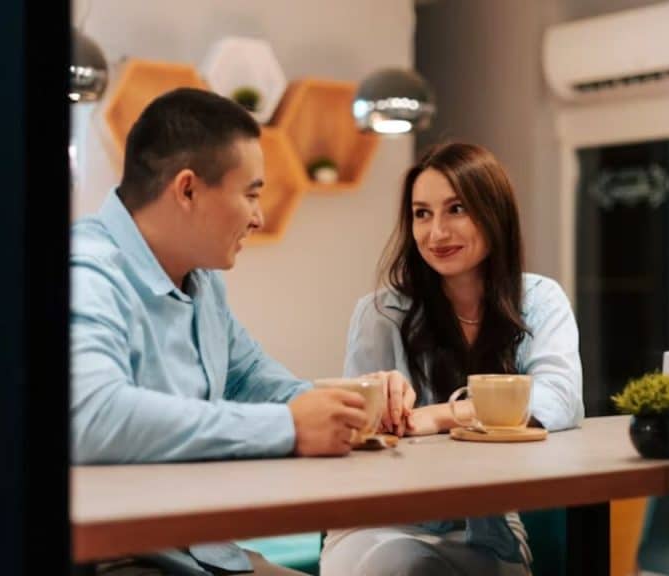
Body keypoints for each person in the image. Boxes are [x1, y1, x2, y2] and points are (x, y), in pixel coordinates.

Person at [70, 88, 413, 575]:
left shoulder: (202, 282)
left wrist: (358, 406)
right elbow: (92, 417)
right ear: (187, 190)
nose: (258, 216)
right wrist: (290, 428)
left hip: (208, 555)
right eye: (251, 193)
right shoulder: (86, 270)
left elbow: (254, 379)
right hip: (120, 562)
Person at [320, 142, 584, 576]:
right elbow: (358, 439)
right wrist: (376, 407)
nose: (436, 232)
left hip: (487, 525)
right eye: (422, 213)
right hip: (382, 521)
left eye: (455, 209)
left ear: (493, 212)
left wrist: (442, 416)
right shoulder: (380, 314)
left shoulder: (539, 299)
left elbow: (559, 401)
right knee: (408, 566)